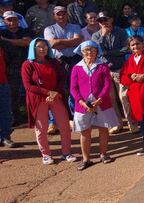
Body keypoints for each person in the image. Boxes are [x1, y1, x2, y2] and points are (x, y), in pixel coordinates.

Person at [22, 38, 76, 165]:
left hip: (56, 96)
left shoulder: (53, 62)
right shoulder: (27, 64)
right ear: (33, 49)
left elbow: (62, 78)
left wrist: (55, 92)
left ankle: (66, 153)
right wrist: (47, 93)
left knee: (64, 125)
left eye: (45, 46)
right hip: (38, 99)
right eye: (40, 47)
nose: (43, 49)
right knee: (41, 128)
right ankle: (46, 154)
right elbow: (28, 86)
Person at [70, 41, 119, 170]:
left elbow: (107, 84)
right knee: (85, 131)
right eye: (86, 50)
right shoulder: (77, 67)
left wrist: (100, 99)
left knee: (103, 128)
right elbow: (73, 89)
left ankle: (103, 154)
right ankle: (86, 158)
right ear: (81, 52)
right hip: (82, 105)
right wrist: (81, 102)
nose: (89, 52)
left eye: (92, 49)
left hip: (101, 103)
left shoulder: (102, 66)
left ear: (97, 51)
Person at [91, 11, 136, 134]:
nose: (104, 23)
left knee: (124, 97)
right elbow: (95, 52)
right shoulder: (96, 36)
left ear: (111, 19)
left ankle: (132, 122)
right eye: (101, 21)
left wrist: (107, 52)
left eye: (106, 20)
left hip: (120, 68)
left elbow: (125, 49)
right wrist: (103, 37)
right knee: (111, 98)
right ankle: (117, 123)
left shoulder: (120, 32)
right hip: (105, 71)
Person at [44, 5, 83, 130]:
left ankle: (73, 118)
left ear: (67, 15)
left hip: (74, 60)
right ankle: (53, 121)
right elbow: (52, 44)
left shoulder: (75, 27)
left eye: (63, 14)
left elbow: (77, 42)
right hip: (58, 62)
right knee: (55, 89)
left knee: (74, 89)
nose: (61, 16)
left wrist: (60, 42)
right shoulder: (48, 29)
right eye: (58, 14)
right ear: (54, 16)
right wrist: (68, 41)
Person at [0, 11, 32, 125]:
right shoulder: (2, 32)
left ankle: (32, 115)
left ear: (18, 20)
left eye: (14, 19)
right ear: (4, 21)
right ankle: (15, 117)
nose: (12, 22)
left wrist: (5, 41)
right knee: (13, 93)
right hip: (10, 66)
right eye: (9, 20)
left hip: (27, 64)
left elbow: (26, 42)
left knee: (31, 90)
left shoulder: (25, 31)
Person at [0, 44, 19, 147]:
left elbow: (13, 60)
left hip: (3, 83)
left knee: (5, 112)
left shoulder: (4, 46)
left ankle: (5, 137)